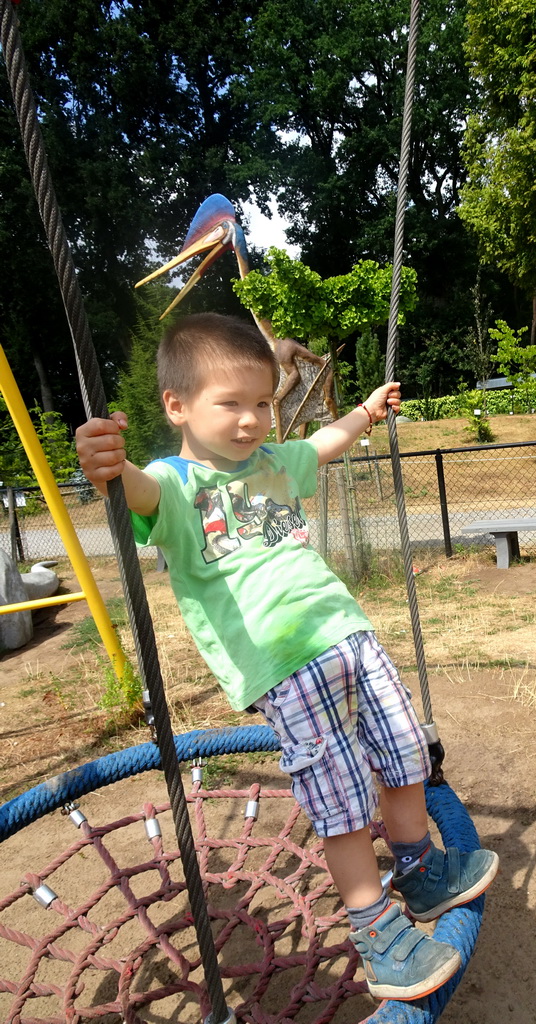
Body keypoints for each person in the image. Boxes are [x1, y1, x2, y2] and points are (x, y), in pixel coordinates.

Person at [76, 312, 499, 1002]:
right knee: (339, 799)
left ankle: (419, 870)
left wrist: (365, 410)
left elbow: (325, 444)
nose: (251, 421)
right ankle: (376, 932)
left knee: (403, 752)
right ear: (177, 407)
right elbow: (135, 492)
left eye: (263, 404)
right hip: (282, 664)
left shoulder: (275, 463)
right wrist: (108, 466)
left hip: (347, 632)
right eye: (231, 404)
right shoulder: (176, 482)